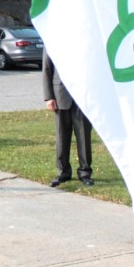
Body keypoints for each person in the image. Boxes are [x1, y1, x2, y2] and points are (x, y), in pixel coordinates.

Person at [42, 49, 94, 186]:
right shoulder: (51, 37)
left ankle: (85, 172)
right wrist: (49, 97)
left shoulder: (83, 38)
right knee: (62, 138)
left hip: (82, 96)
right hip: (60, 95)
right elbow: (47, 68)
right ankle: (63, 172)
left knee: (84, 137)